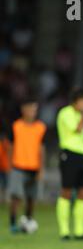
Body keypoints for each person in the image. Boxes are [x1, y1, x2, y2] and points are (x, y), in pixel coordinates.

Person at [56, 88, 83, 240]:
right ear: (76, 100)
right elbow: (77, 129)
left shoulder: (79, 115)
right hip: (69, 154)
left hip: (82, 155)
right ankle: (64, 231)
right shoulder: (65, 113)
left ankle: (79, 232)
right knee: (67, 191)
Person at [8, 99, 46, 233]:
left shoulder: (40, 127)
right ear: (23, 109)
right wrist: (9, 164)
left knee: (31, 198)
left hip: (34, 167)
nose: (33, 112)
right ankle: (12, 223)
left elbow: (41, 149)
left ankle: (29, 222)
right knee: (16, 197)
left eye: (35, 109)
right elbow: (10, 146)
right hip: (18, 165)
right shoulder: (16, 126)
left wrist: (41, 168)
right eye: (30, 109)